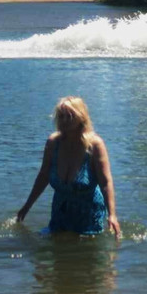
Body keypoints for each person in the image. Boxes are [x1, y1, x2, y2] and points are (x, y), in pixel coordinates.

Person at [17, 96, 121, 237]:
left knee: (86, 254)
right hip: (60, 213)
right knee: (57, 254)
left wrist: (112, 215)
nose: (65, 120)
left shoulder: (95, 145)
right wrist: (26, 207)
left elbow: (105, 182)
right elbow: (43, 176)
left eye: (70, 116)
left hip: (88, 216)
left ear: (81, 117)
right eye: (61, 116)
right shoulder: (53, 143)